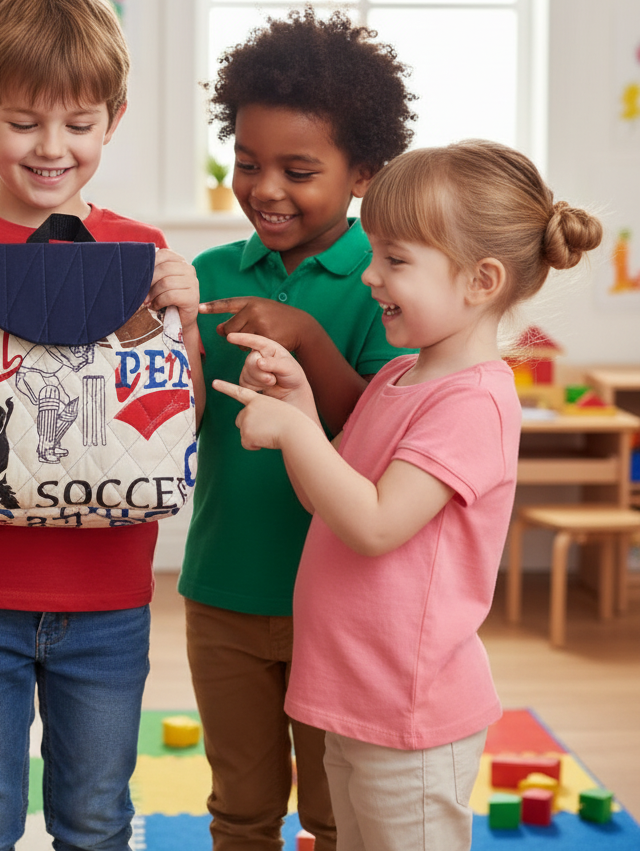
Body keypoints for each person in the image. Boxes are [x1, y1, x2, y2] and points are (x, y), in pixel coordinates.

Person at [0, 0, 201, 851]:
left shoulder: (141, 251)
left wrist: (189, 321)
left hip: (107, 595)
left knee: (96, 822)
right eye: (23, 122)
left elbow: (176, 426)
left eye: (79, 123)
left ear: (114, 118)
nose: (52, 148)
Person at [216, 140, 603, 851]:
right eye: (375, 255)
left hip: (410, 711)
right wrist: (300, 404)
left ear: (480, 281)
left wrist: (294, 436)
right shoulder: (399, 380)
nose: (370, 277)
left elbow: (376, 524)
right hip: (355, 693)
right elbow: (329, 502)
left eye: (395, 261)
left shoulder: (473, 404)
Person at [178, 8, 416, 850]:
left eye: (298, 169)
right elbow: (179, 419)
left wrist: (306, 335)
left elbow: (376, 431)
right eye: (246, 163)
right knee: (239, 809)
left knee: (334, 812)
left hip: (339, 606)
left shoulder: (383, 284)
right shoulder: (207, 277)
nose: (265, 187)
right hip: (221, 591)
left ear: (362, 174)